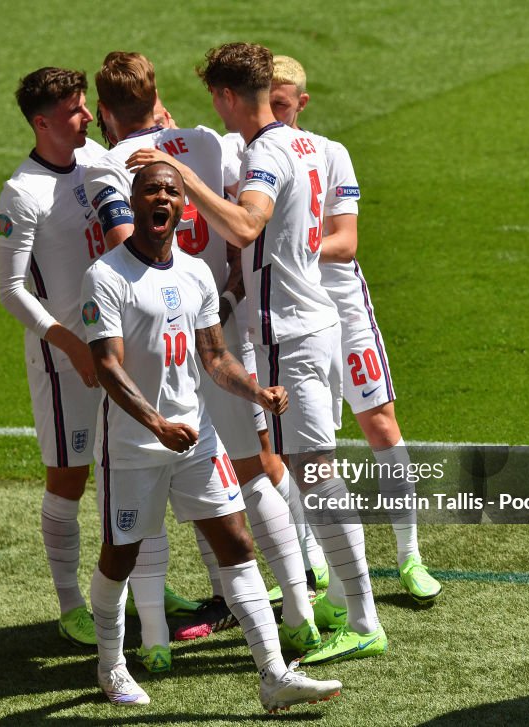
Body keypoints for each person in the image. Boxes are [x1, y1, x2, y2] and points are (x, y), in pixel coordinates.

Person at [126, 42, 387, 665]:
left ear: (224, 97)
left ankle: (363, 618)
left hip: (292, 333)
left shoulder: (268, 151)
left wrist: (184, 176)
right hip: (310, 322)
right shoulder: (303, 144)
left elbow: (246, 225)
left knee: (315, 475)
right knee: (305, 471)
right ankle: (342, 606)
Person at [81, 160, 342, 710]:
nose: (162, 198)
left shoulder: (196, 273)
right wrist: (155, 422)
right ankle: (111, 667)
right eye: (151, 190)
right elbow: (106, 365)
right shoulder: (106, 276)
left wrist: (257, 393)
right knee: (120, 557)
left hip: (195, 440)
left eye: (171, 192)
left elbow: (215, 356)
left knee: (237, 544)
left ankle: (273, 676)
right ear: (135, 202)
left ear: (183, 207)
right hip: (133, 449)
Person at [84, 51, 318, 653]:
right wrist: (232, 283)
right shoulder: (210, 142)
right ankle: (299, 609)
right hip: (222, 322)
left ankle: (155, 637)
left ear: (105, 112)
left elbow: (131, 250)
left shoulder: (108, 164)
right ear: (157, 94)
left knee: (152, 496)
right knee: (254, 469)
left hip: (161, 340)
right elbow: (241, 219)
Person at [267, 57, 442, 633]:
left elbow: (345, 242)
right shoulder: (253, 155)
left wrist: (285, 246)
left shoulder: (329, 152)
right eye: (267, 103)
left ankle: (410, 555)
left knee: (380, 424)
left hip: (340, 304)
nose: (277, 114)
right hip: (288, 313)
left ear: (303, 103)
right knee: (293, 440)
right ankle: (316, 563)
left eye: (285, 104)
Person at [0, 67, 107, 648]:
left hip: (116, 350)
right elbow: (12, 290)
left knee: (127, 470)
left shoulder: (96, 161)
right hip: (64, 365)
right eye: (73, 112)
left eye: (84, 107)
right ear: (42, 123)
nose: (87, 117)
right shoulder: (23, 192)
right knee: (70, 478)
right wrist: (68, 344)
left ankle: (142, 582)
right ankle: (69, 606)